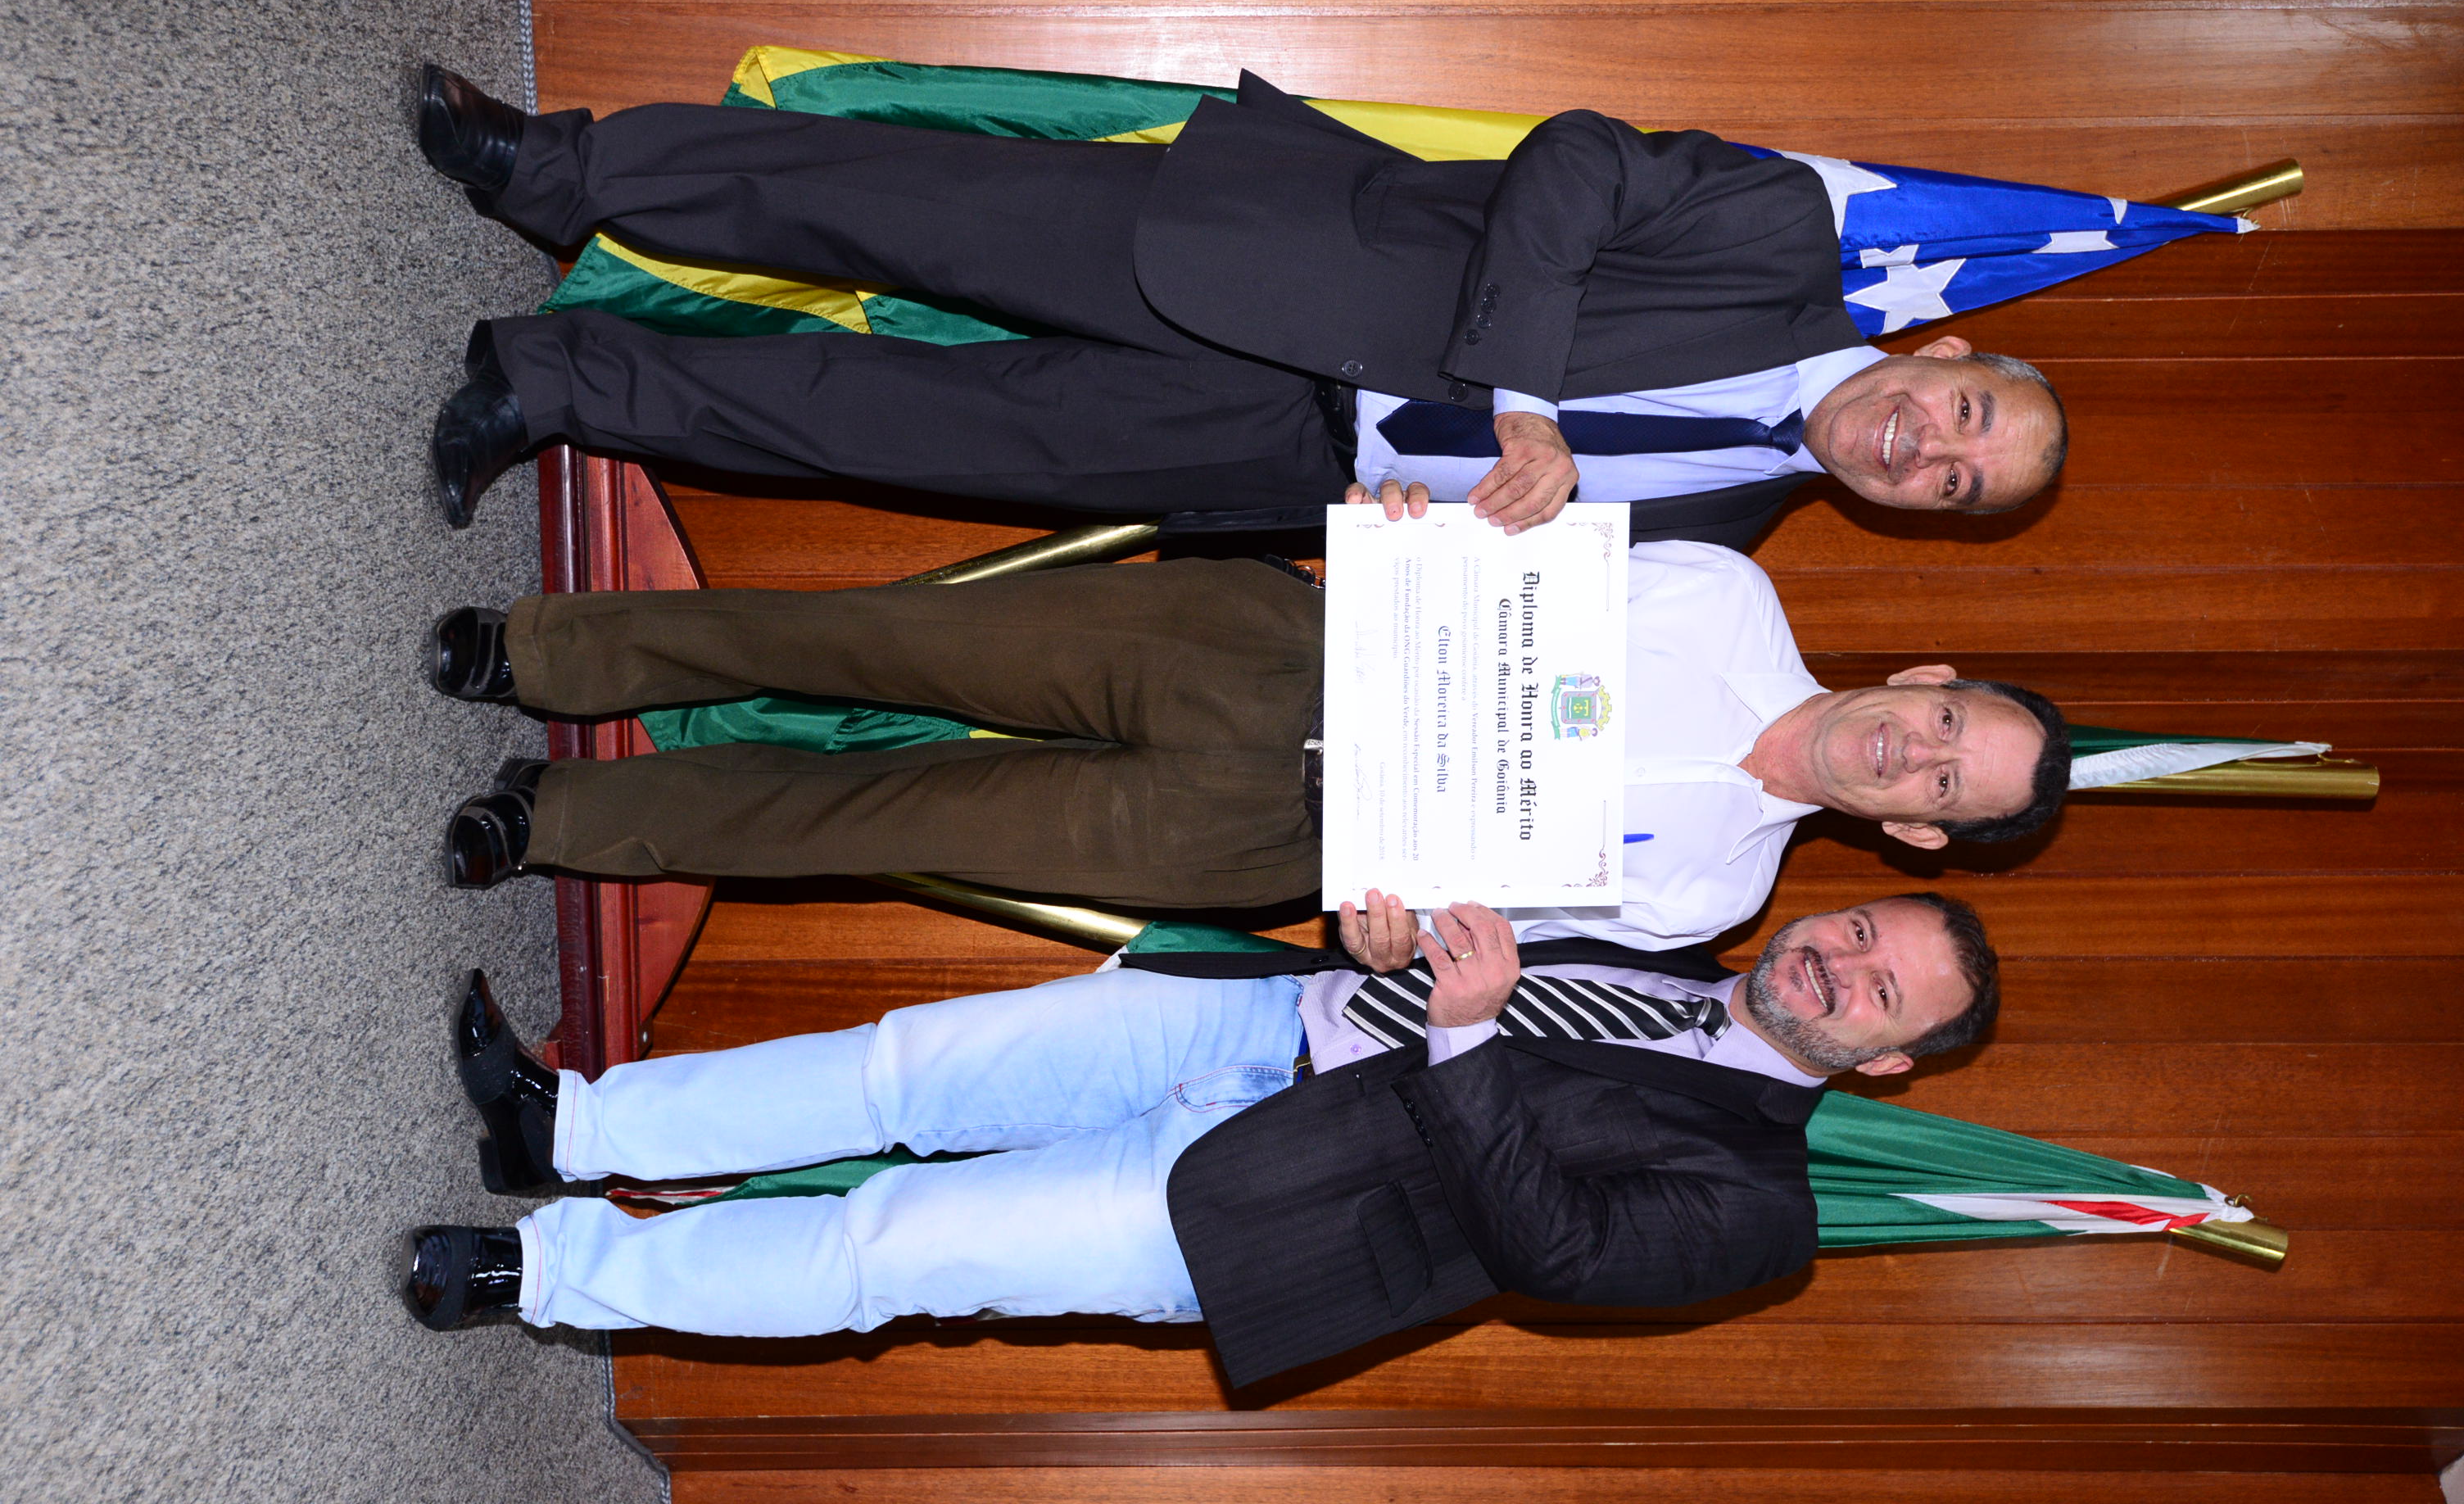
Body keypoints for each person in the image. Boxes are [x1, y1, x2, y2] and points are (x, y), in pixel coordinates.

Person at [414, 66, 2067, 549]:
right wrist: (1524, 401)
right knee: (887, 199)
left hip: (1269, 458)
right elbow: (1572, 162)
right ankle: (553, 169)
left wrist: (1420, 545)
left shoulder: (1724, 537)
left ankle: (549, 386)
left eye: (1953, 484)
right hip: (1270, 255)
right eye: (1965, 415)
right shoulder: (1780, 236)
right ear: (1945, 350)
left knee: (874, 425)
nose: (1924, 450)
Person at [406, 892, 2000, 1387]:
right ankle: (569, 1121)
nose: (1835, 964)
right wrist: (1387, 923)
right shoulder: (1677, 929)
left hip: (1260, 1205)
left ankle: (543, 1273)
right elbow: (1452, 925)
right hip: (1245, 1016)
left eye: (1877, 991)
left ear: (1890, 1060)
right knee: (901, 1068)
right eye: (1859, 928)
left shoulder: (1764, 1211)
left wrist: (1461, 1032)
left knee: (886, 1248)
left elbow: (1557, 1248)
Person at [428, 542, 2069, 949]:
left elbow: (1494, 942)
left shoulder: (1716, 897)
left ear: (1919, 835)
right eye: (1946, 720)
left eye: (1943, 783)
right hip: (1265, 647)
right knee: (880, 640)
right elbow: (1503, 551)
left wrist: (1412, 946)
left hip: (1269, 845)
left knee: (883, 821)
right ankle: (551, 652)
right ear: (1925, 673)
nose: (1910, 753)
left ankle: (559, 815)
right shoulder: (1727, 594)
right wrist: (1427, 520)